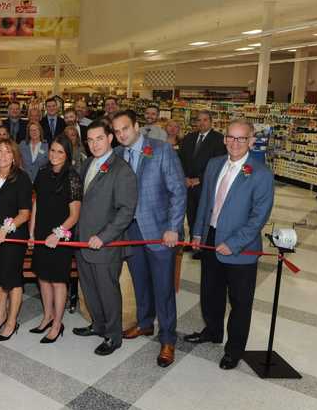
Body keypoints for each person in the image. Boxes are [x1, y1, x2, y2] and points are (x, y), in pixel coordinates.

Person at [185, 120, 274, 370]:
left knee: (240, 302)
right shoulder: (214, 165)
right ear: (224, 139)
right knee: (210, 293)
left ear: (251, 141)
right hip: (212, 239)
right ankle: (212, 331)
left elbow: (259, 217)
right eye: (231, 137)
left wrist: (233, 243)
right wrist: (199, 233)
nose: (235, 143)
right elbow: (205, 203)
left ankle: (234, 350)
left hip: (241, 248)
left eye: (241, 138)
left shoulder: (261, 174)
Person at [112, 110, 186, 367]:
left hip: (159, 231)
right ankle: (145, 323)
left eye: (125, 129)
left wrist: (173, 227)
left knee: (163, 287)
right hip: (130, 232)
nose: (121, 135)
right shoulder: (118, 155)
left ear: (136, 126)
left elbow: (178, 191)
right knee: (140, 281)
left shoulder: (161, 150)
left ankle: (168, 338)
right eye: (117, 131)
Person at [73, 120, 137, 356]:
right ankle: (98, 324)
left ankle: (113, 335)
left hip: (105, 244)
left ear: (110, 138)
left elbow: (126, 211)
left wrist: (104, 237)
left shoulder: (122, 170)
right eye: (90, 140)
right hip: (82, 241)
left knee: (108, 291)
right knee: (89, 288)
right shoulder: (88, 163)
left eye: (99, 138)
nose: (94, 144)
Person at [29, 134, 81, 343]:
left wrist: (57, 234)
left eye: (60, 151)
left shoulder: (72, 177)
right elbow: (36, 204)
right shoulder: (42, 173)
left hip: (61, 235)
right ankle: (47, 316)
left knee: (58, 280)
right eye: (52, 150)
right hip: (42, 233)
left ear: (67, 154)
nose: (55, 155)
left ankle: (58, 324)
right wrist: (32, 233)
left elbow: (75, 215)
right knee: (43, 277)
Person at [0, 140, 32, 342]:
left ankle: (12, 322)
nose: (2, 155)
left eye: (7, 152)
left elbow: (25, 213)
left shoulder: (21, 178)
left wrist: (5, 228)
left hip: (12, 237)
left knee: (12, 279)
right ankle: (1, 315)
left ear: (14, 156)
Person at [178, 110, 227, 257]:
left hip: (205, 184)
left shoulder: (219, 139)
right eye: (199, 120)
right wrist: (184, 177)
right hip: (187, 183)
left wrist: (200, 179)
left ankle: (202, 246)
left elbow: (219, 163)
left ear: (211, 121)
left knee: (204, 215)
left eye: (205, 120)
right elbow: (180, 159)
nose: (201, 123)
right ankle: (194, 242)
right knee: (191, 214)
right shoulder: (189, 138)